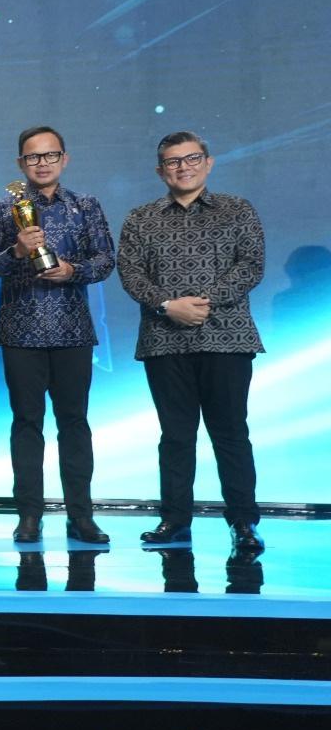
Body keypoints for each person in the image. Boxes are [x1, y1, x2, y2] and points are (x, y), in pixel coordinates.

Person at [118, 131, 264, 552]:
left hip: (227, 338)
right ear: (160, 170)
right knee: (175, 436)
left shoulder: (237, 210)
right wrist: (169, 305)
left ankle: (243, 523)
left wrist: (202, 303)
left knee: (230, 433)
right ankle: (175, 521)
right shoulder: (141, 218)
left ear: (208, 162)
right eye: (173, 161)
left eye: (192, 158)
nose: (183, 167)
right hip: (164, 341)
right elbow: (131, 273)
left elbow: (250, 265)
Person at [0, 126, 115, 545]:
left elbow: (106, 260)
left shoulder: (85, 205)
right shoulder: (2, 209)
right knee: (26, 424)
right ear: (21, 163)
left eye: (50, 155)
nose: (42, 163)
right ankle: (29, 516)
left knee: (74, 424)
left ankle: (81, 516)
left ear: (64, 159)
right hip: (21, 329)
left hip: (73, 330)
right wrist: (16, 252)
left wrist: (73, 271)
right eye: (33, 157)